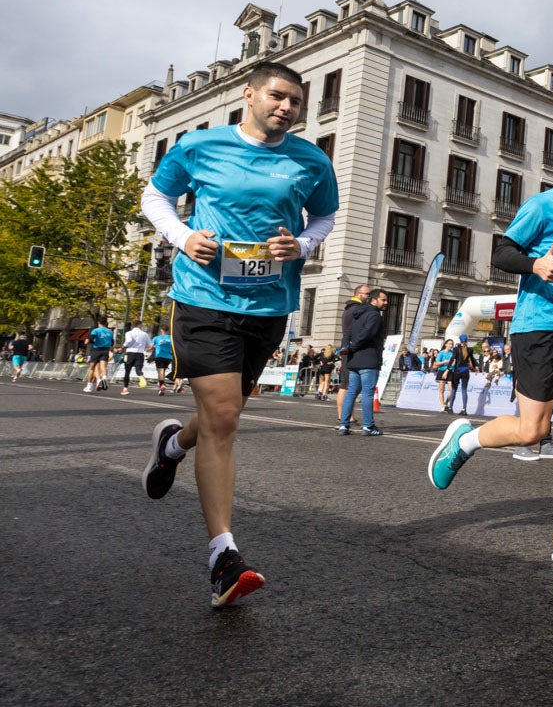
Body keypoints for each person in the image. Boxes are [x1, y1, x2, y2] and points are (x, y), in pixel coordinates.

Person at [137, 61, 338, 608]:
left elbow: (324, 218)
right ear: (249, 94)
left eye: (295, 102)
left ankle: (172, 445)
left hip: (270, 304)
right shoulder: (201, 146)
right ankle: (223, 558)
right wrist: (182, 236)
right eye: (277, 96)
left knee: (222, 414)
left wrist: (302, 245)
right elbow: (154, 197)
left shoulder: (311, 160)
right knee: (224, 416)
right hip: (204, 297)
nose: (286, 108)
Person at [427, 138, 553, 570]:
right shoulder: (542, 206)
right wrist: (535, 265)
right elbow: (503, 252)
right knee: (532, 431)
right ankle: (465, 441)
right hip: (538, 328)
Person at [338, 288, 388, 436]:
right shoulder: (375, 315)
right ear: (374, 300)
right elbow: (368, 334)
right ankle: (368, 426)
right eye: (383, 300)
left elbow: (347, 333)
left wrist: (346, 348)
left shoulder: (357, 313)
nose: (386, 302)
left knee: (351, 392)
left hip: (354, 359)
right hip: (369, 359)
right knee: (367, 393)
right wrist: (352, 347)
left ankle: (343, 425)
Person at [336, 284, 371, 418]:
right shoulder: (357, 309)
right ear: (358, 294)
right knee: (348, 385)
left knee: (346, 384)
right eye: (366, 294)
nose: (368, 297)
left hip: (348, 349)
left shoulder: (349, 309)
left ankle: (345, 416)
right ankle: (345, 417)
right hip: (353, 350)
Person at [121, 322, 153, 395]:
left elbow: (128, 341)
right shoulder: (144, 334)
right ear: (139, 325)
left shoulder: (129, 333)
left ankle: (125, 389)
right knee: (138, 369)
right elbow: (149, 345)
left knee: (127, 371)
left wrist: (124, 345)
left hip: (130, 352)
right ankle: (141, 376)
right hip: (140, 353)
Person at [435, 338, 466, 413]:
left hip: (450, 371)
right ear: (445, 344)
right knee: (441, 390)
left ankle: (446, 404)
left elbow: (455, 362)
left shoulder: (453, 352)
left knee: (452, 390)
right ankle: (442, 406)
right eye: (449, 344)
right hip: (442, 371)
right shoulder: (441, 353)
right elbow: (437, 363)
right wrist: (446, 361)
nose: (450, 345)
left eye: (451, 344)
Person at [84, 320, 114, 393]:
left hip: (96, 350)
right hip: (105, 350)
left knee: (92, 368)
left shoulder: (96, 330)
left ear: (99, 323)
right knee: (103, 367)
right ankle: (104, 378)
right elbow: (112, 342)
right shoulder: (110, 331)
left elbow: (90, 339)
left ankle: (90, 385)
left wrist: (88, 341)